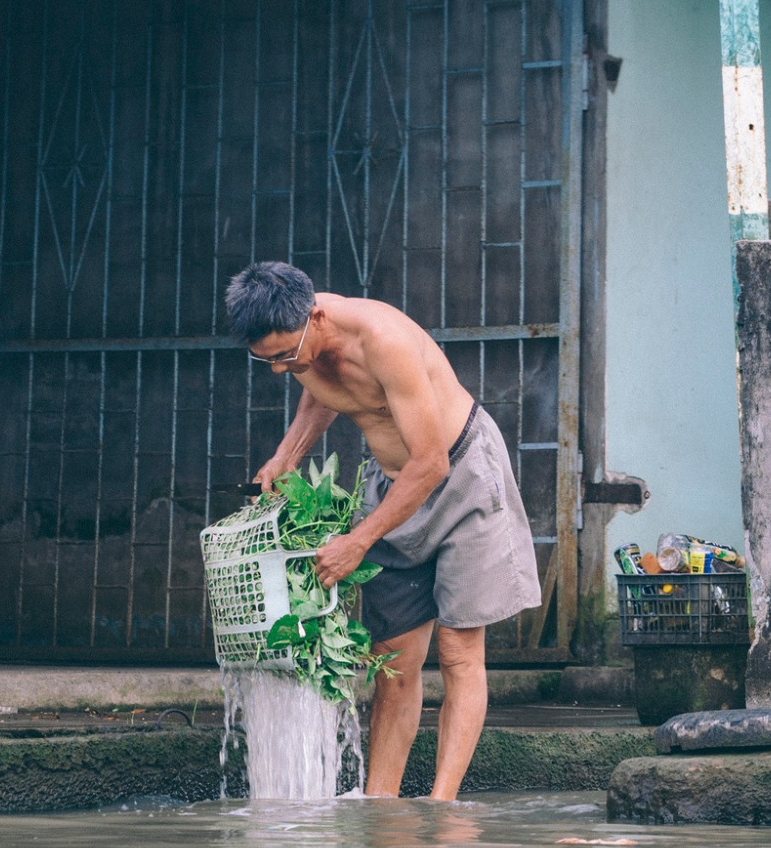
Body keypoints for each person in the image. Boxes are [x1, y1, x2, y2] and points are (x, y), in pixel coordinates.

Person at [228, 261, 540, 800]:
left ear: (317, 317)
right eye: (266, 361)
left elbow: (432, 462)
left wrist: (357, 540)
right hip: (393, 486)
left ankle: (443, 806)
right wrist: (285, 457)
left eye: (284, 356)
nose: (280, 369)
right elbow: (317, 389)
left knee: (460, 649)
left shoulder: (384, 340)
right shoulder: (303, 342)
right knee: (393, 660)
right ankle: (382, 805)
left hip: (460, 473)